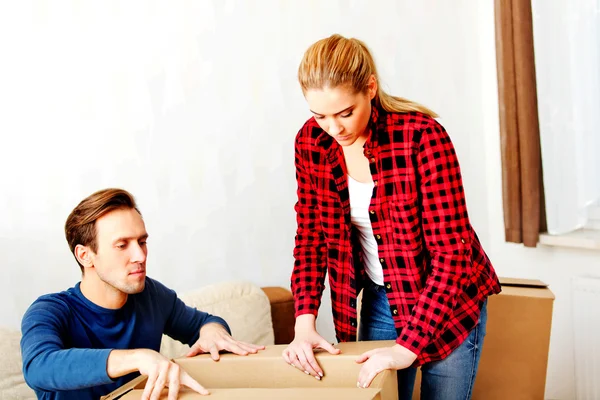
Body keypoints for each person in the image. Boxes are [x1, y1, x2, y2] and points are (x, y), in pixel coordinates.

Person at [282, 34, 501, 400]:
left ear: (370, 88)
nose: (334, 129)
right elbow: (311, 238)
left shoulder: (423, 138)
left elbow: (452, 255)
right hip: (383, 299)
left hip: (448, 301)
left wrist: (407, 348)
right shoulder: (311, 143)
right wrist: (304, 322)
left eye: (345, 113)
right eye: (320, 116)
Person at [21, 188, 264, 400]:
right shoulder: (49, 310)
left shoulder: (151, 295)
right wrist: (138, 358)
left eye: (142, 241)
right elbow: (38, 367)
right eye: (122, 245)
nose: (140, 256)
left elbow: (203, 324)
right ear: (85, 255)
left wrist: (214, 332)